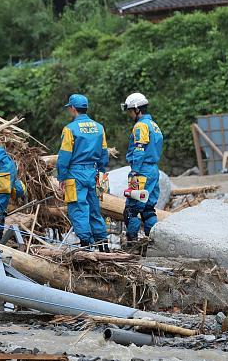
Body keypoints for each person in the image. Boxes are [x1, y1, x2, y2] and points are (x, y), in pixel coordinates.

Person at [57, 93, 110, 250]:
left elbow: (64, 156)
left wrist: (62, 176)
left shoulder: (70, 129)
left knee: (78, 209)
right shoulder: (99, 128)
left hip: (75, 175)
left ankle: (86, 246)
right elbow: (104, 153)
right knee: (95, 210)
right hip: (93, 173)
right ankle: (103, 246)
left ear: (73, 108)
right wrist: (100, 172)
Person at [122, 92, 164, 241]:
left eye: (130, 111)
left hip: (142, 171)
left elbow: (139, 149)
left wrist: (134, 172)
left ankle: (132, 243)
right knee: (148, 209)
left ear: (137, 109)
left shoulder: (140, 126)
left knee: (131, 210)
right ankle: (153, 243)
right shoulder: (154, 125)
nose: (129, 115)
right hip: (153, 170)